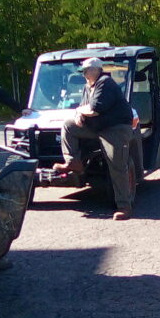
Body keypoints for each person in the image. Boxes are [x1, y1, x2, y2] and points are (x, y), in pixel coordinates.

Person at [52, 57, 135, 221]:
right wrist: (78, 113)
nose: (83, 74)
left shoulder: (105, 83)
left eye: (85, 71)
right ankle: (73, 162)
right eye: (82, 71)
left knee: (116, 165)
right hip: (97, 127)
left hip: (115, 129)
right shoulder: (87, 87)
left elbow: (95, 109)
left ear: (96, 70)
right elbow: (82, 107)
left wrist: (82, 111)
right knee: (69, 126)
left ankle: (124, 206)